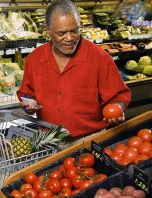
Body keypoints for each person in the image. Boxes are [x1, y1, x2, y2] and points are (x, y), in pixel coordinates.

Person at [17, 0, 131, 142]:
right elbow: (27, 94)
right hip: (48, 139)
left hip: (91, 138)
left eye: (74, 31)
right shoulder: (35, 58)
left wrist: (116, 108)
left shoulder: (99, 57)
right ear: (48, 31)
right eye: (62, 33)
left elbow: (119, 96)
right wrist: (29, 105)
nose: (69, 38)